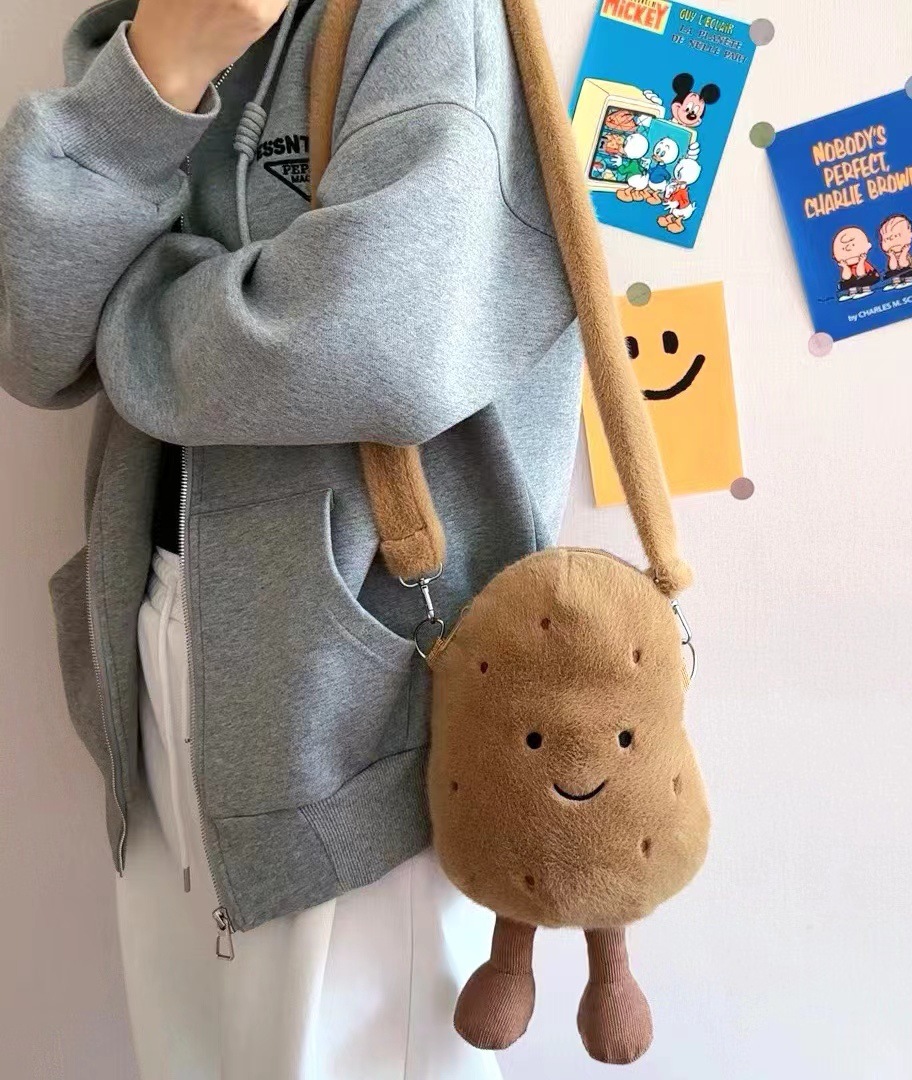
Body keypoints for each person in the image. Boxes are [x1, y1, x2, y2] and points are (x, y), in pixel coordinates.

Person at [0, 0, 582, 1076]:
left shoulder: (424, 18)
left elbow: (377, 336)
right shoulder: (132, 30)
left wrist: (128, 306)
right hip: (156, 637)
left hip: (360, 690)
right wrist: (163, 62)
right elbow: (34, 338)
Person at [831, 225, 879, 301]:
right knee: (846, 282)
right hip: (854, 280)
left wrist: (861, 261)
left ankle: (865, 290)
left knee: (864, 279)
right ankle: (852, 292)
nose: (848, 249)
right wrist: (845, 267)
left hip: (868, 276)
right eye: (843, 248)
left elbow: (861, 274)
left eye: (853, 245)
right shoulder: (848, 266)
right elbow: (846, 277)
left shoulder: (863, 262)